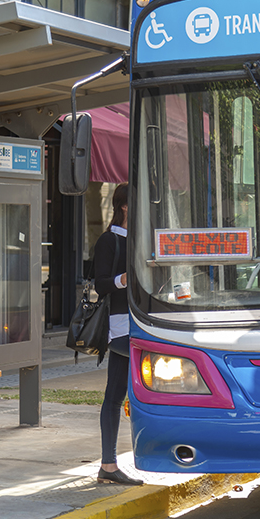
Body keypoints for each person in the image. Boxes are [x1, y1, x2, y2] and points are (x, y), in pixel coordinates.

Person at [94, 183, 143, 486]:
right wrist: (124, 279)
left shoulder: (139, 239)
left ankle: (109, 464)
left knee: (119, 394)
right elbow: (101, 285)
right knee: (116, 396)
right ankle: (108, 463)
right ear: (124, 206)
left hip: (143, 322)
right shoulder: (109, 240)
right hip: (121, 326)